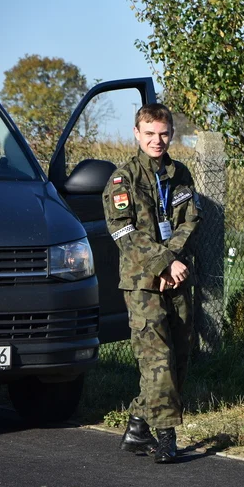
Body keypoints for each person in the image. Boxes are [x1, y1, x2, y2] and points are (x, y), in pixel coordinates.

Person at [103, 103, 201, 465]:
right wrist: (163, 263)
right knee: (157, 361)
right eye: (149, 134)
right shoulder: (121, 180)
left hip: (176, 278)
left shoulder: (180, 175)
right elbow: (124, 232)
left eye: (163, 133)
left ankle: (137, 428)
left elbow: (189, 221)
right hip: (142, 284)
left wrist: (172, 261)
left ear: (171, 134)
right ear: (136, 134)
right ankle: (167, 437)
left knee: (179, 356)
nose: (157, 140)